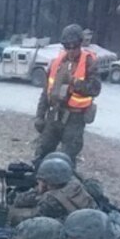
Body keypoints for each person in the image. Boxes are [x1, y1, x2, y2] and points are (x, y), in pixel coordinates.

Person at [34, 24, 101, 167]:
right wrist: (40, 116)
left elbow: (95, 89)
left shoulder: (89, 62)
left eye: (74, 46)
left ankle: (67, 187)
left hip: (75, 119)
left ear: (80, 44)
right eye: (67, 46)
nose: (71, 50)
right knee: (42, 152)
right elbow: (46, 91)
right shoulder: (57, 63)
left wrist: (74, 82)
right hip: (55, 115)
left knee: (66, 160)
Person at [8, 155, 97, 224]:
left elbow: (26, 219)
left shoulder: (51, 201)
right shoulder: (74, 184)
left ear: (46, 182)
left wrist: (10, 214)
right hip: (93, 221)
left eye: (40, 180)